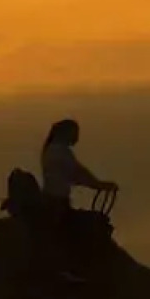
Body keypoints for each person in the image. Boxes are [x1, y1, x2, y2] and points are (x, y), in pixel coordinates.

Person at [38, 118, 118, 277]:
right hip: (57, 202)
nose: (77, 137)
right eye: (74, 133)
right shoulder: (60, 152)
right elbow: (77, 173)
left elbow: (76, 174)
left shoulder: (53, 150)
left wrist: (97, 184)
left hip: (53, 199)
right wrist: (99, 185)